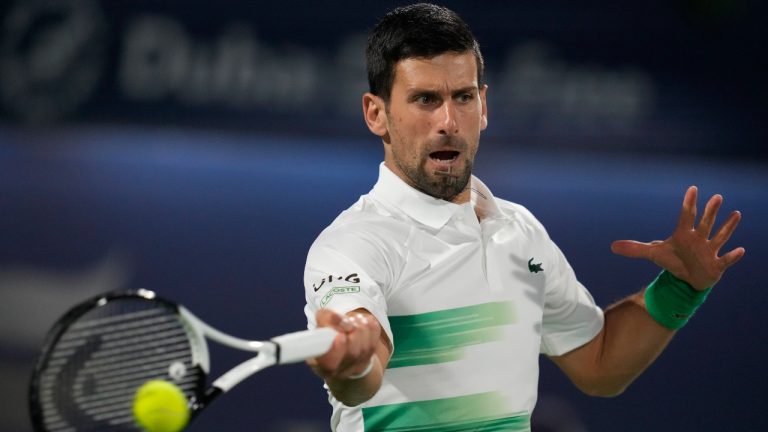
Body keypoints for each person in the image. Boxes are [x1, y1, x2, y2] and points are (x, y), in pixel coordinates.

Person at [302, 3, 744, 431]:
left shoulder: (520, 231)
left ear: (484, 105)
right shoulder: (352, 245)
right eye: (425, 99)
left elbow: (599, 364)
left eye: (463, 97)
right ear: (376, 114)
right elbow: (360, 373)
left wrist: (681, 290)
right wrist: (352, 356)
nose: (449, 121)